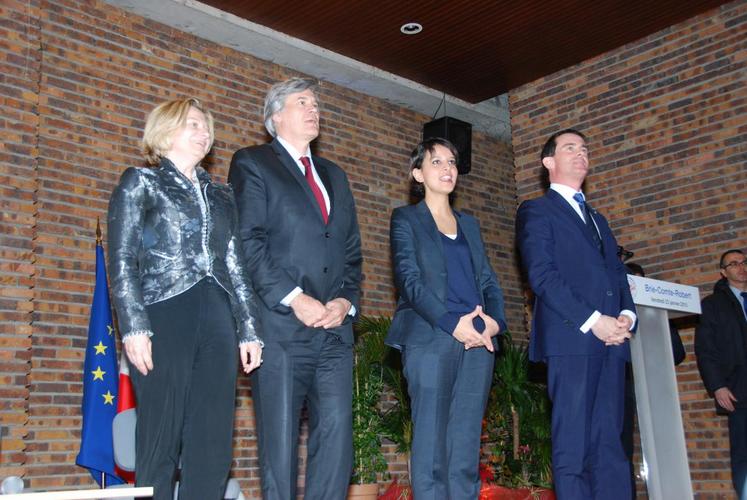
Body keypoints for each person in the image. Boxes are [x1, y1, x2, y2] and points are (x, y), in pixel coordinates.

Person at [107, 98, 263, 500]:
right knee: (159, 436)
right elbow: (122, 258)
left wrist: (249, 330)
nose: (203, 132)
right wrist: (133, 327)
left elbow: (236, 266)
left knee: (213, 440)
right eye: (193, 124)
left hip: (218, 318)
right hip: (163, 315)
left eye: (206, 126)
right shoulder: (141, 182)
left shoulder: (222, 194)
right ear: (166, 130)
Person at [228, 77, 362, 500]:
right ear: (275, 116)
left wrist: (344, 301)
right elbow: (248, 241)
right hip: (282, 329)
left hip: (334, 333)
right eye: (302, 102)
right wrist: (295, 298)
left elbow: (352, 252)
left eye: (316, 104)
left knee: (337, 443)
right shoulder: (253, 162)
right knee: (280, 448)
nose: (313, 109)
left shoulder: (335, 175)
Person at [515, 128, 637, 500]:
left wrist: (626, 316)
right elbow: (542, 275)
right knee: (574, 446)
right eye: (570, 148)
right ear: (548, 162)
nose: (581, 153)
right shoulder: (536, 211)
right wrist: (594, 321)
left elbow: (617, 274)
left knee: (611, 447)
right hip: (572, 340)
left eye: (584, 149)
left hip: (612, 342)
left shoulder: (599, 219)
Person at [386, 137, 507, 499]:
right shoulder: (406, 219)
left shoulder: (470, 224)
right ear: (418, 174)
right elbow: (409, 281)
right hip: (432, 335)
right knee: (432, 446)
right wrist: (453, 323)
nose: (447, 168)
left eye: (452, 162)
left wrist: (495, 323)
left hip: (479, 341)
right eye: (436, 162)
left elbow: (488, 281)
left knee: (465, 446)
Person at [622, 261, 686, 498]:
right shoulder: (617, 314)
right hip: (624, 386)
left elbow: (677, 353)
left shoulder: (657, 314)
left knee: (664, 446)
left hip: (656, 388)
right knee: (623, 449)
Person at [694, 249, 747, 500]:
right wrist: (717, 386)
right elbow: (706, 350)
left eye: (744, 262)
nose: (741, 267)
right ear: (723, 272)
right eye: (733, 264)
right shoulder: (713, 305)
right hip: (738, 390)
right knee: (743, 453)